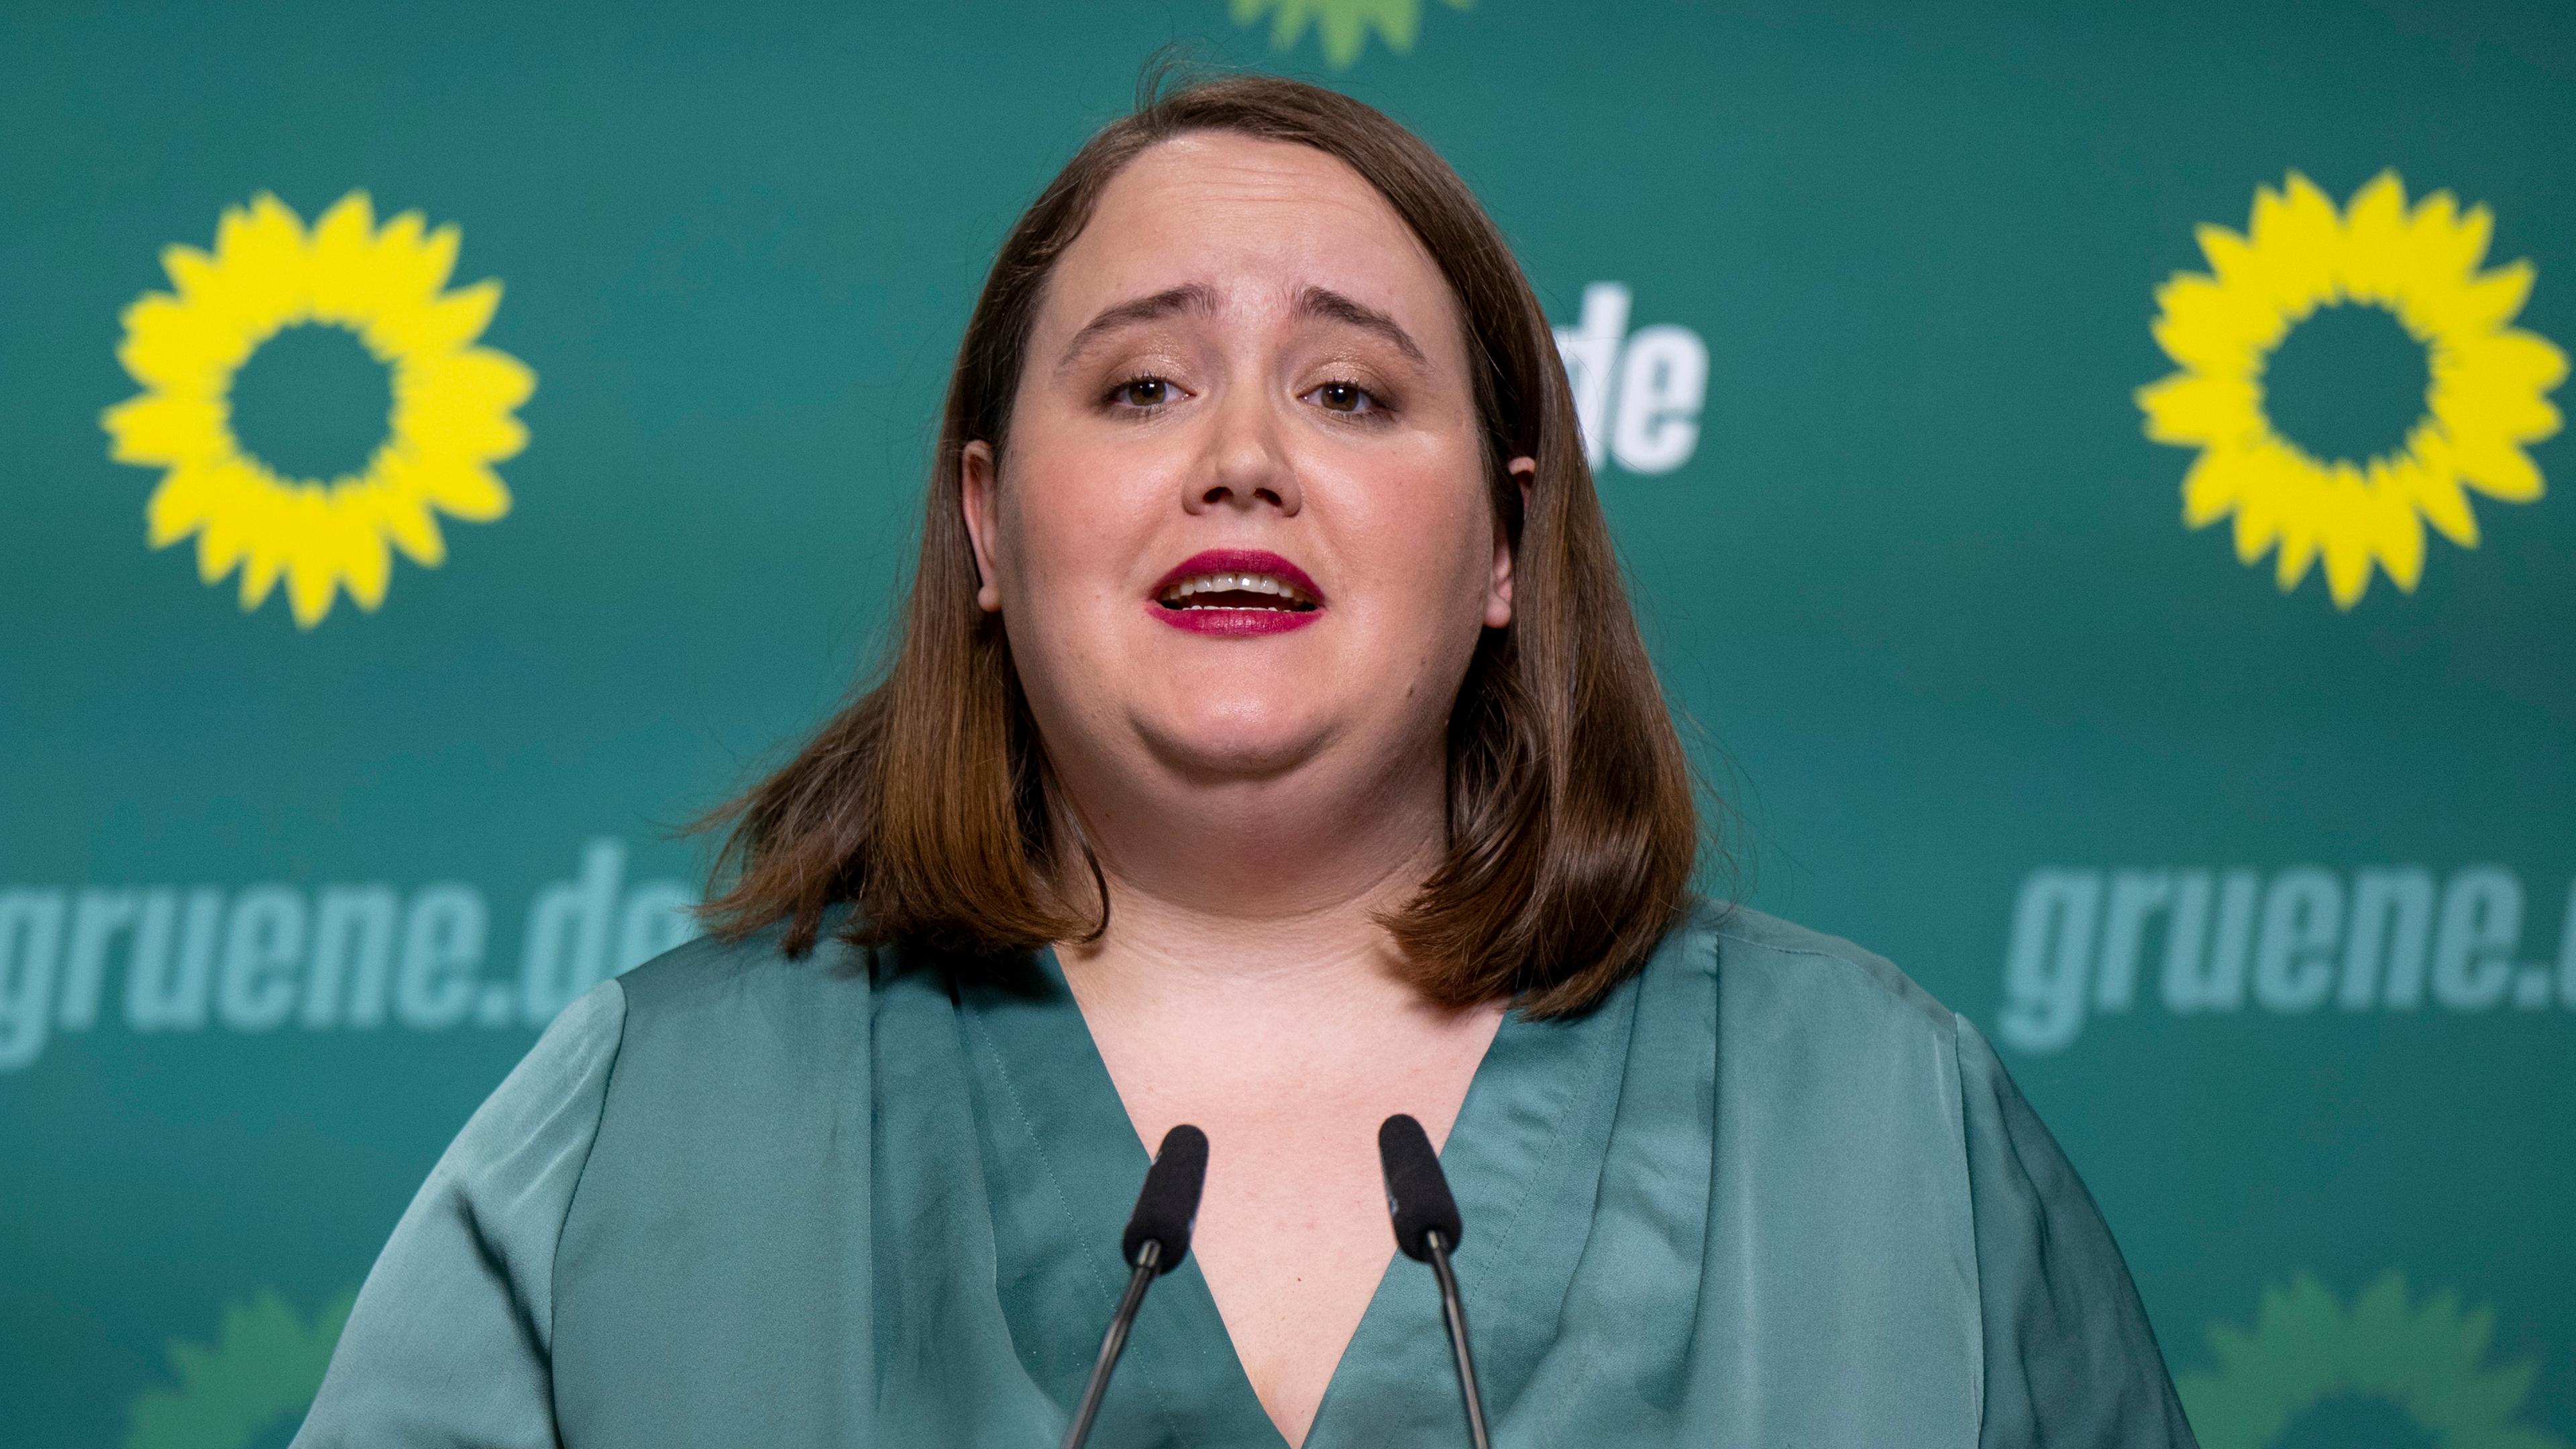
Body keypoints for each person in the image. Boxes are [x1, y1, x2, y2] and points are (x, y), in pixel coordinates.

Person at [295, 72, 2195, 1449]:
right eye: (1142, 384)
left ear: (1506, 549)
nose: (1243, 459)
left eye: (1351, 391)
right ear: (987, 524)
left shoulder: (1884, 1129)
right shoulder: (649, 1130)